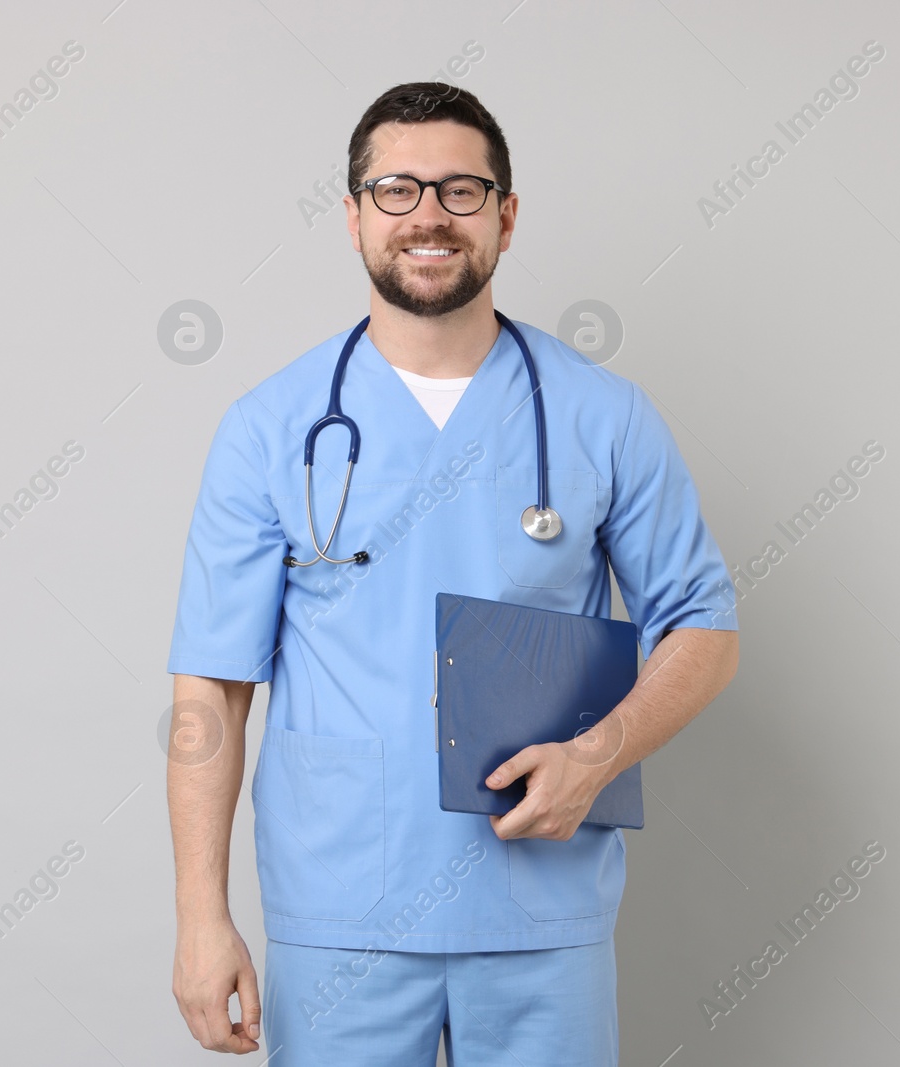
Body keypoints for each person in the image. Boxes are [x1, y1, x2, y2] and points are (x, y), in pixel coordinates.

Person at [167, 82, 739, 1065]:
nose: (427, 214)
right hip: (340, 913)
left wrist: (598, 753)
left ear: (505, 217)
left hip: (539, 909)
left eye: (460, 190)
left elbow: (704, 627)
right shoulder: (269, 428)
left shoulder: (601, 415)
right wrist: (199, 916)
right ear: (352, 217)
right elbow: (210, 688)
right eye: (395, 189)